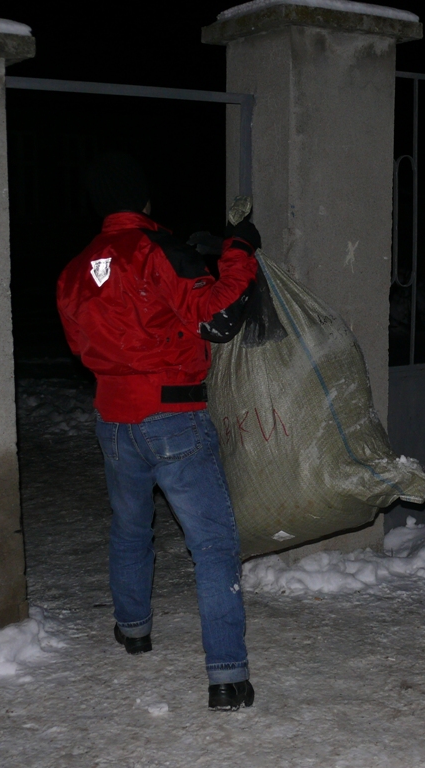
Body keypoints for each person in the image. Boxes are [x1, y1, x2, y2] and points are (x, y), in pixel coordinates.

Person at [56, 151, 261, 711]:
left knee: (129, 527)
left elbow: (80, 348)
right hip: (173, 416)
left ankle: (134, 630)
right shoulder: (158, 249)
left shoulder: (75, 270)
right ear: (143, 200)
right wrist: (238, 249)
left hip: (113, 419)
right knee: (214, 544)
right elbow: (218, 317)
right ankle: (226, 677)